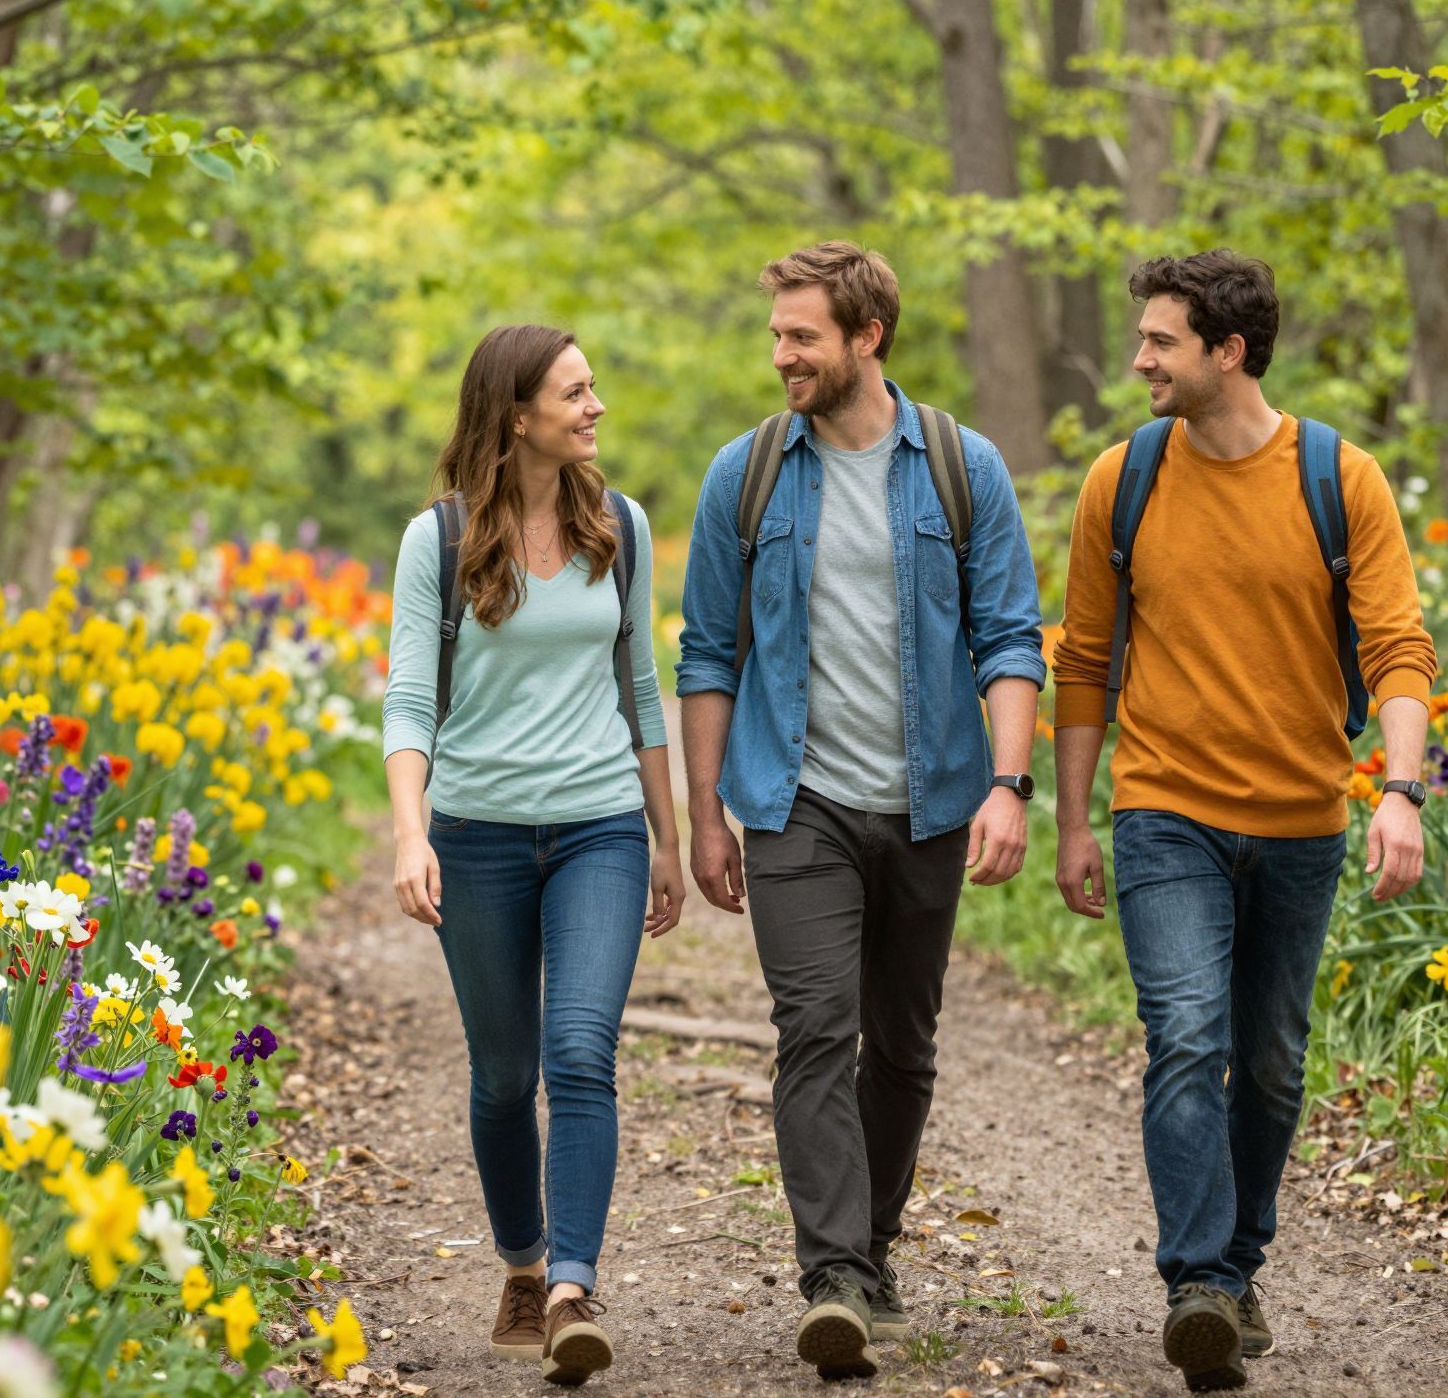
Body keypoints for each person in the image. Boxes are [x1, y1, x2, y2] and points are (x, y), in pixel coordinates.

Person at [1051, 251, 1436, 1392]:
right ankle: (1198, 1286)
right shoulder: (1119, 481)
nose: (1138, 361)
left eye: (1160, 341)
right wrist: (1070, 819)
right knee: (1186, 1035)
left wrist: (1397, 790)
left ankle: (1239, 1264)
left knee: (1266, 1063)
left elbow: (1397, 648)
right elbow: (1081, 662)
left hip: (1301, 820)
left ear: (1227, 350)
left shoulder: (1338, 477)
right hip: (1163, 809)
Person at [677, 242, 1047, 1380]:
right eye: (776, 334)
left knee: (901, 1043)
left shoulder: (958, 465)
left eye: (801, 336)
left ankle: (873, 1248)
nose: (780, 355)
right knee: (812, 1029)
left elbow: (1009, 635)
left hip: (932, 800)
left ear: (864, 337)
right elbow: (706, 653)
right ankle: (832, 1274)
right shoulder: (741, 475)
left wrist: (1005, 784)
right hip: (796, 805)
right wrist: (703, 815)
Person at [381, 324, 685, 1387]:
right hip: (476, 835)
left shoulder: (622, 528)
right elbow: (411, 699)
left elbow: (639, 687)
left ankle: (571, 1288)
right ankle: (521, 1261)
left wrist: (666, 837)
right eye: (574, 390)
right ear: (516, 415)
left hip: (599, 823)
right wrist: (410, 832)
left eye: (593, 387)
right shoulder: (441, 537)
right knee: (505, 1076)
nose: (594, 406)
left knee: (580, 1054)